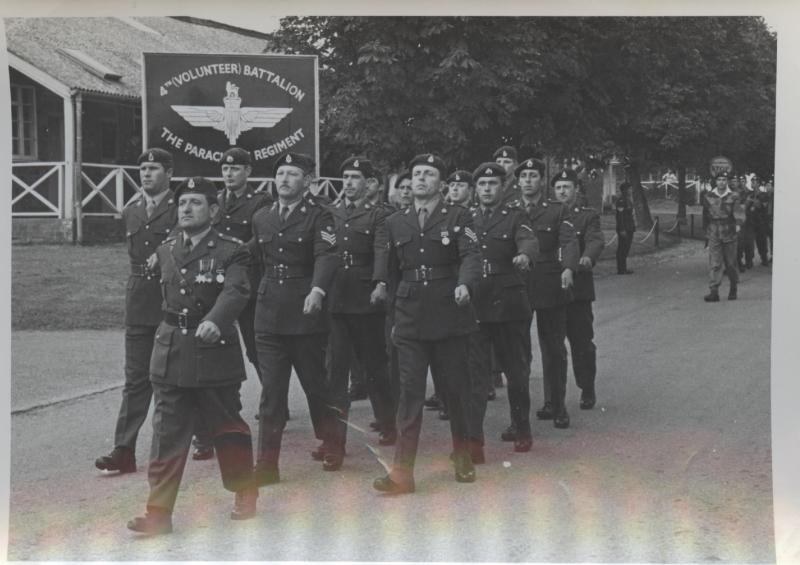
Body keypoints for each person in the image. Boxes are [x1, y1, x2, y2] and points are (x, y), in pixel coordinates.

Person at [127, 176, 258, 535]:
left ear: (213, 211)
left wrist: (217, 320)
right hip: (171, 351)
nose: (186, 208)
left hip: (213, 351)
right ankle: (158, 512)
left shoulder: (232, 250)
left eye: (196, 202)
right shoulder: (168, 249)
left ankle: (244, 489)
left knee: (226, 426)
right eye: (182, 202)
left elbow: (236, 291)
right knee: (167, 433)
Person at [373, 153, 481, 495]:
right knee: (409, 395)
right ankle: (403, 472)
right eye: (417, 173)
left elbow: (471, 256)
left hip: (449, 312)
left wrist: (466, 284)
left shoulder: (459, 216)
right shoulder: (395, 222)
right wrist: (389, 311)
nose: (421, 179)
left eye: (429, 174)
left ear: (441, 183)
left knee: (455, 391)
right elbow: (388, 271)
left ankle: (463, 454)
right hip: (409, 318)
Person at [251, 152, 342, 485]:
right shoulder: (262, 217)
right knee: (271, 393)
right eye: (280, 173)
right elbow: (253, 258)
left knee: (315, 385)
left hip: (305, 313)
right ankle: (266, 463)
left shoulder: (321, 217)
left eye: (292, 174)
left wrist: (317, 291)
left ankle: (332, 441)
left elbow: (327, 256)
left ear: (307, 181)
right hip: (269, 314)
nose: (284, 179)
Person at [95, 148, 177, 474]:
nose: (146, 174)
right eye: (142, 168)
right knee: (135, 379)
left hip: (173, 299)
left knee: (176, 377)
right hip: (140, 302)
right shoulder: (132, 211)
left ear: (168, 173)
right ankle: (124, 449)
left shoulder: (181, 207)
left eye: (154, 168)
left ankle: (198, 437)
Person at [190, 147, 273, 461]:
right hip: (213, 285)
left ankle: (273, 403)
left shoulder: (259, 202)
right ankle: (208, 427)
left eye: (236, 168)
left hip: (246, 282)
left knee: (256, 348)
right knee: (214, 350)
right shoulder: (216, 202)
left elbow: (259, 238)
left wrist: (232, 253)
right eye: (225, 169)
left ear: (248, 172)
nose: (229, 174)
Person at [327, 156, 397, 456]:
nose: (349, 183)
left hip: (366, 298)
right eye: (346, 178)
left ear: (369, 183)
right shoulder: (331, 211)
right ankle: (334, 442)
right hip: (336, 298)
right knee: (335, 370)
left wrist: (380, 282)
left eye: (356, 178)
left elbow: (382, 249)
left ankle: (387, 422)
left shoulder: (378, 215)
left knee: (375, 367)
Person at [468, 163, 537, 458]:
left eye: (492, 184)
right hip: (475, 304)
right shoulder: (466, 218)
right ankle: (473, 439)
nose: (486, 189)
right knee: (474, 375)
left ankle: (521, 429)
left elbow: (529, 239)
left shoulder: (515, 215)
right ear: (476, 188)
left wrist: (524, 255)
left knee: (516, 372)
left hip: (508, 304)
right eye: (482, 184)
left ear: (502, 187)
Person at [513, 161, 578, 431]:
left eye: (534, 176)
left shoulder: (557, 210)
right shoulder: (510, 210)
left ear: (542, 180)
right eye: (524, 176)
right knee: (518, 351)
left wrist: (568, 268)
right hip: (517, 285)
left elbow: (569, 241)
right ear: (518, 182)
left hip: (550, 281)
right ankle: (520, 411)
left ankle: (557, 404)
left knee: (554, 349)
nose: (528, 180)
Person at [553, 171, 605, 410]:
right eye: (558, 187)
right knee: (552, 346)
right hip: (550, 290)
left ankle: (587, 387)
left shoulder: (587, 217)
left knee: (581, 342)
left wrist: (586, 258)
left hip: (578, 289)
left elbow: (595, 240)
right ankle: (554, 397)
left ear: (576, 190)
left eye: (567, 187)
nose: (562, 191)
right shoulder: (548, 215)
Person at [701, 171, 740, 302]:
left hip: (729, 232)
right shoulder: (708, 196)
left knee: (731, 264)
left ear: (727, 181)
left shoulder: (734, 196)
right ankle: (714, 291)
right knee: (715, 263)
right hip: (714, 232)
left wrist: (738, 225)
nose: (722, 182)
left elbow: (739, 214)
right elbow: (705, 215)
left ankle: (733, 287)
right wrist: (705, 233)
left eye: (724, 179)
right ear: (715, 181)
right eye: (719, 180)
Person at [614, 182, 636, 274]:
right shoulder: (621, 201)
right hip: (624, 228)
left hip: (629, 227)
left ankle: (624, 267)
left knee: (626, 248)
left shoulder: (628, 200)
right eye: (629, 189)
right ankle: (621, 269)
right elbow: (620, 216)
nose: (631, 191)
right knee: (622, 248)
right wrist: (622, 229)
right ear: (625, 190)